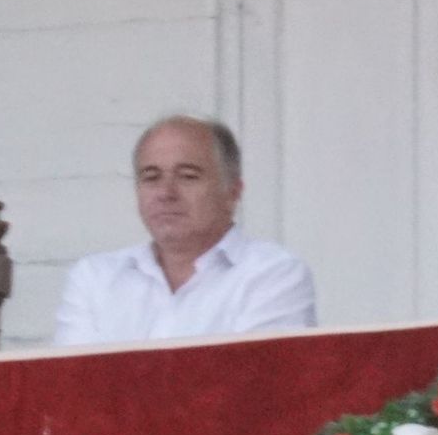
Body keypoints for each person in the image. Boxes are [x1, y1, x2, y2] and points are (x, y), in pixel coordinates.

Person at [53, 115, 315, 345]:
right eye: (151, 177)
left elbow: (254, 389)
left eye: (188, 176)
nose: (166, 193)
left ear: (233, 192)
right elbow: (75, 390)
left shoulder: (273, 274)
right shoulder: (94, 279)